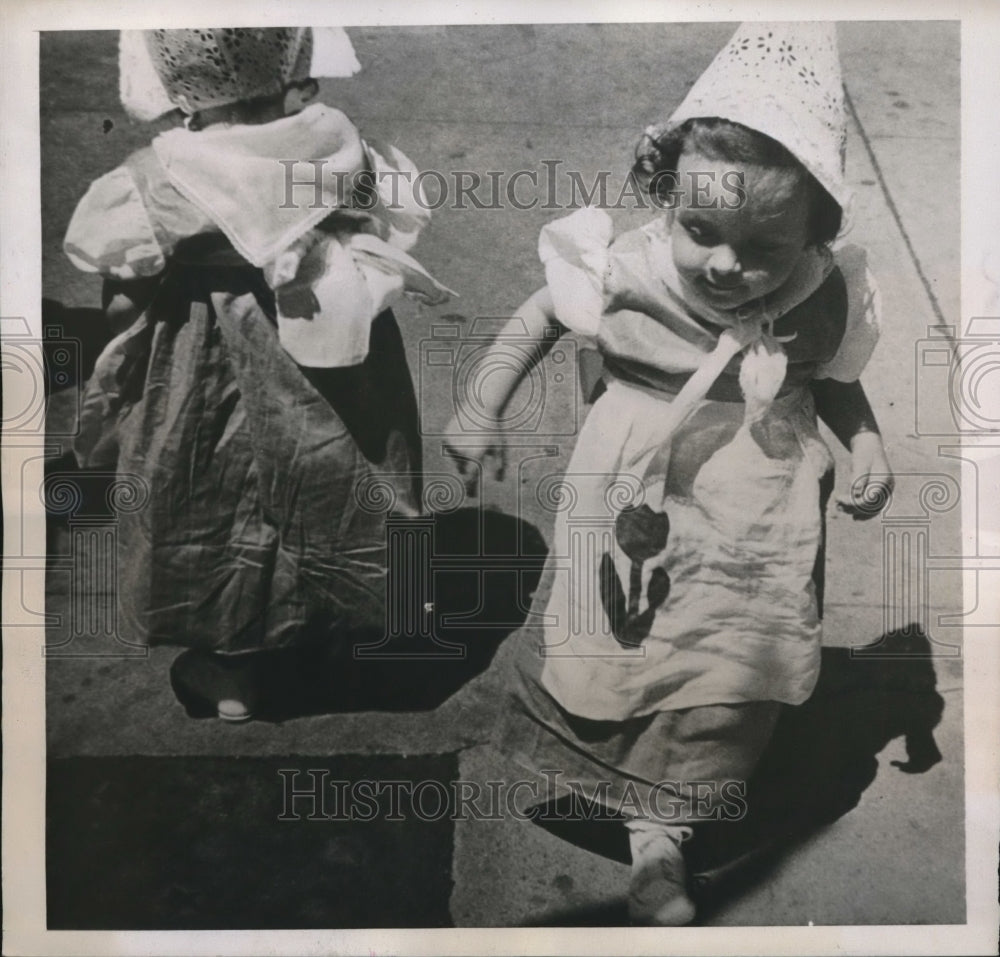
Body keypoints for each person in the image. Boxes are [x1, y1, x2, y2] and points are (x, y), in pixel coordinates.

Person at [443, 22, 893, 925]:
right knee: (624, 635)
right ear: (666, 191)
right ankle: (609, 772)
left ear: (814, 228)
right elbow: (537, 321)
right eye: (702, 230)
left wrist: (865, 441)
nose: (727, 265)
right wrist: (479, 407)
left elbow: (836, 382)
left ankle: (664, 832)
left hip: (759, 514)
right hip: (633, 495)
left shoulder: (825, 292)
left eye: (764, 246)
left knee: (725, 657)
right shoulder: (626, 268)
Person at [64, 28, 452, 721]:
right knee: (334, 482)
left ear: (175, 86)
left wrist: (117, 344)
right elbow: (387, 224)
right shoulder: (337, 142)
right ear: (293, 64)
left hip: (206, 362)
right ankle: (334, 625)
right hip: (330, 355)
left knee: (213, 495)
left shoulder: (160, 175)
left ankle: (234, 670)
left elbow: (125, 290)